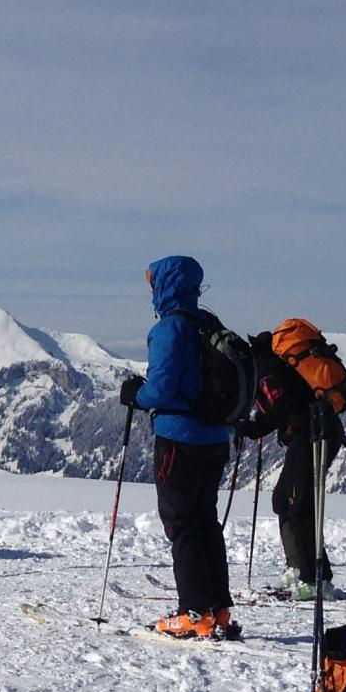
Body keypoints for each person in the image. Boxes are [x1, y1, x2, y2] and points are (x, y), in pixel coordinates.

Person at [117, 255, 238, 639]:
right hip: (215, 438)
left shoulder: (170, 328)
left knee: (182, 523)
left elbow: (162, 389)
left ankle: (194, 612)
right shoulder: (209, 324)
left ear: (163, 286)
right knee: (205, 520)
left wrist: (135, 395)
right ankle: (218, 610)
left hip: (180, 438)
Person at [239, 327, 346, 602]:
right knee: (284, 500)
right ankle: (299, 567)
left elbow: (281, 408)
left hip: (312, 436)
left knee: (298, 506)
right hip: (318, 434)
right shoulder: (276, 365)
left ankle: (314, 580)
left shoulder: (266, 370)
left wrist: (252, 428)